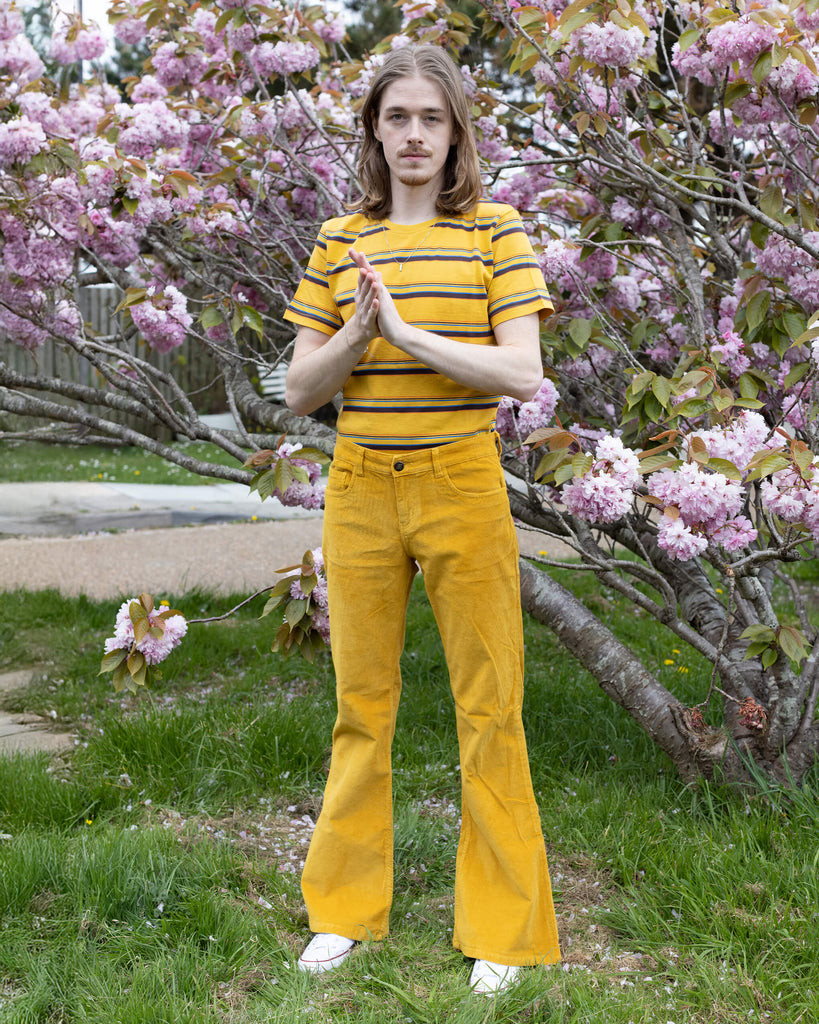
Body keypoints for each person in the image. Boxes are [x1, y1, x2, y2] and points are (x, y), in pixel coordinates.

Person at [283, 43, 561, 995]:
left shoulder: (495, 233)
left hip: (460, 481)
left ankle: (505, 929)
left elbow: (520, 373)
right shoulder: (337, 241)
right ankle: (343, 912)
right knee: (361, 707)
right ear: (373, 128)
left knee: (489, 706)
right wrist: (356, 332)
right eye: (395, 117)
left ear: (455, 133)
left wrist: (404, 335)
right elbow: (298, 390)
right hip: (359, 485)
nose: (412, 135)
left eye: (429, 119)